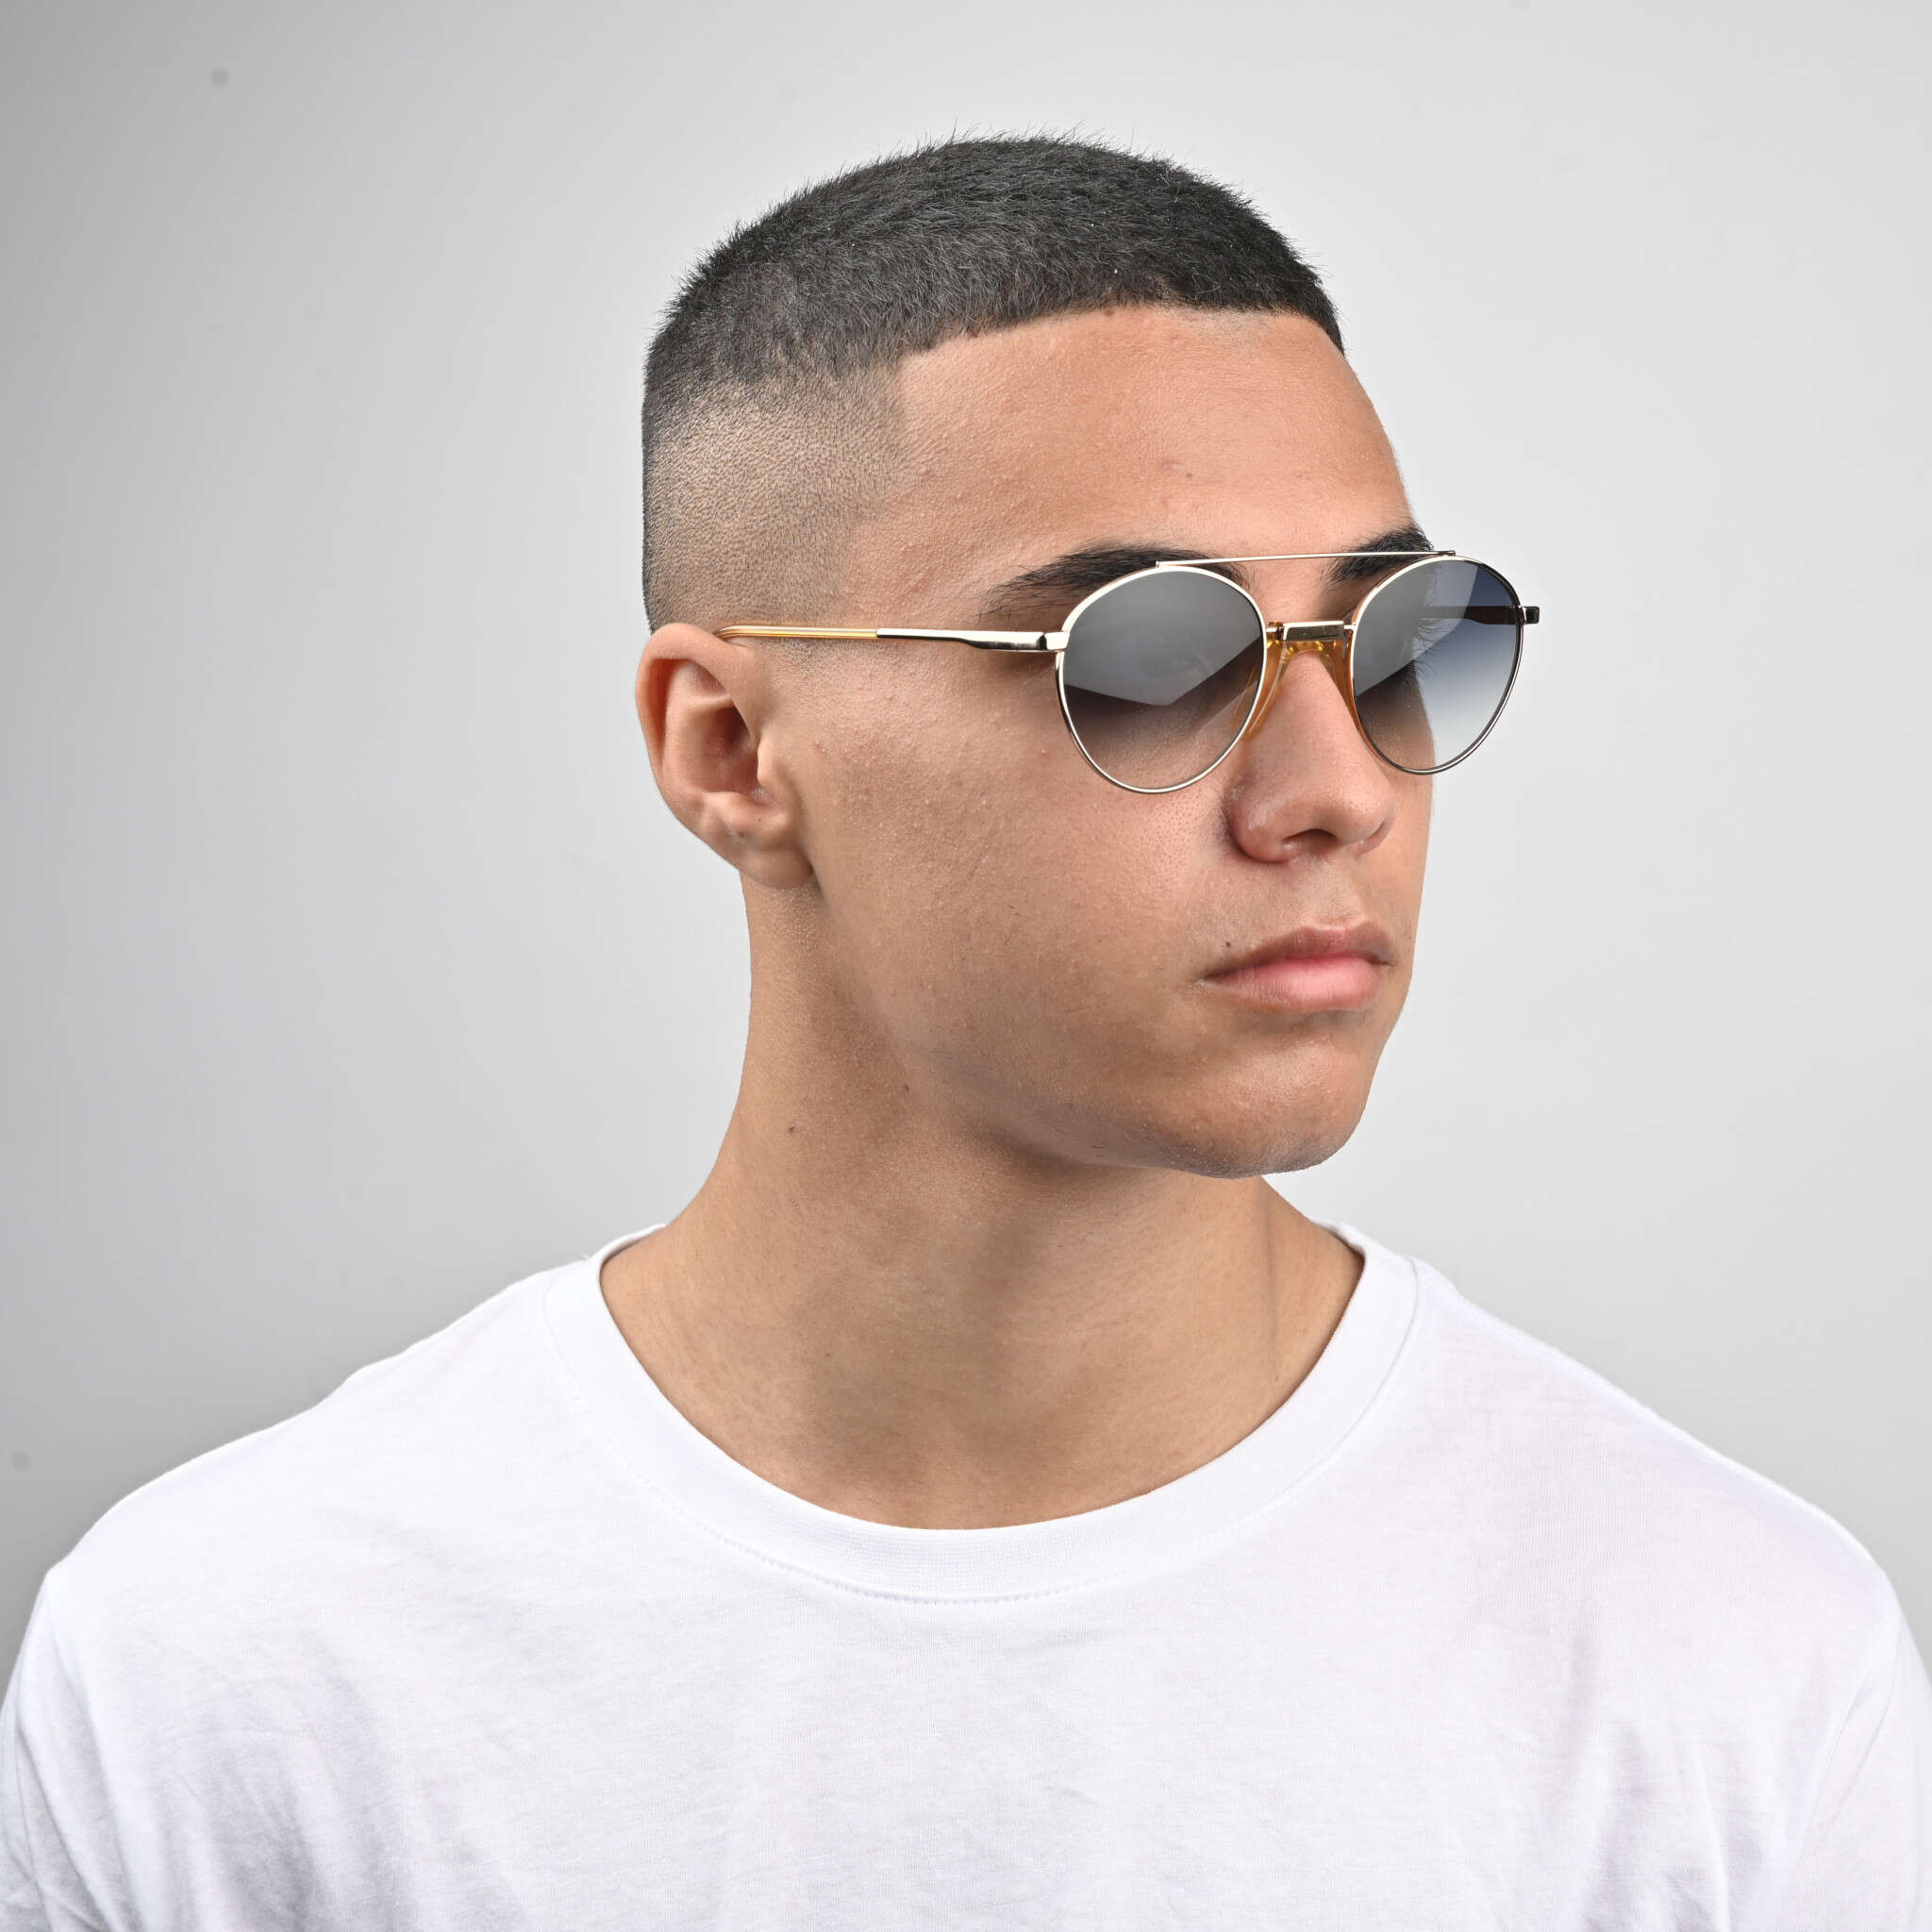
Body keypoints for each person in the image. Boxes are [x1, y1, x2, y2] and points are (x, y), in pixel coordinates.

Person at [2, 135, 1925, 1930]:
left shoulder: (1729, 1665)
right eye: (1153, 656)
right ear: (730, 749)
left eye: (1397, 638)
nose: (1339, 788)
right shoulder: (232, 1670)